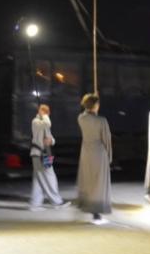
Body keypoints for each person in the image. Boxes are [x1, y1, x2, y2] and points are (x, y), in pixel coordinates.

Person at [76, 94, 113, 225]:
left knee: (89, 181)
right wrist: (109, 155)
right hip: (99, 153)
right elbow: (106, 140)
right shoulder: (101, 121)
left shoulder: (81, 118)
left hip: (86, 153)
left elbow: (87, 114)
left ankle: (89, 208)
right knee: (99, 183)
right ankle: (97, 214)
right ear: (95, 105)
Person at [29, 104, 70, 210]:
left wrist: (51, 140)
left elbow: (51, 138)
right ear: (41, 111)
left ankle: (35, 204)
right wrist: (44, 115)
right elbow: (48, 123)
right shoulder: (36, 122)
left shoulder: (42, 123)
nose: (47, 114)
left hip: (46, 153)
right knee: (50, 177)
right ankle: (56, 202)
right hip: (38, 154)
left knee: (38, 179)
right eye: (45, 112)